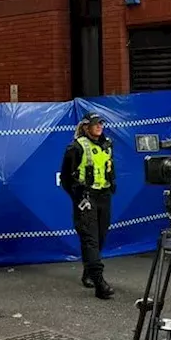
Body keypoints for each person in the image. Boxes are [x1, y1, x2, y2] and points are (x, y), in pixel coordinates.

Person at [59, 112, 116, 300]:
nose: (99, 126)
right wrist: (79, 199)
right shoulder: (75, 147)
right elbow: (66, 178)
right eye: (95, 123)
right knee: (90, 239)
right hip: (86, 197)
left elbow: (110, 168)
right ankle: (100, 283)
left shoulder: (108, 144)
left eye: (101, 123)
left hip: (104, 195)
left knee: (99, 237)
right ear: (86, 127)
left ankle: (88, 272)